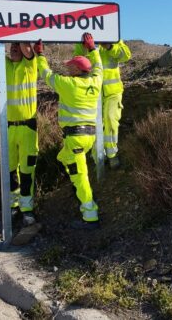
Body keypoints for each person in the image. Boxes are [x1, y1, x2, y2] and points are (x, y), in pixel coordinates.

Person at [34, 33, 103, 229]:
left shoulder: (68, 84)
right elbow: (98, 67)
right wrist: (92, 48)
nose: (67, 68)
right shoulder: (95, 82)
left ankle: (89, 214)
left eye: (69, 66)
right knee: (62, 158)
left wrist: (40, 55)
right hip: (89, 137)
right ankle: (77, 188)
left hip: (76, 138)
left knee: (80, 175)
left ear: (76, 70)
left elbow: (46, 74)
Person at [0, 42, 39, 227]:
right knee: (9, 171)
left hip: (28, 128)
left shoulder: (30, 65)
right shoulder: (6, 65)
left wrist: (20, 36)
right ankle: (13, 206)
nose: (14, 48)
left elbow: (28, 50)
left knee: (26, 171)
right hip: (9, 127)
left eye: (18, 46)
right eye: (12, 46)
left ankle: (27, 209)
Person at [73, 39, 131, 168]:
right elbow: (77, 62)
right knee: (94, 125)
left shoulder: (112, 37)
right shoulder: (81, 41)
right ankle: (98, 158)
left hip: (113, 92)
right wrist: (86, 48)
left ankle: (112, 155)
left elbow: (126, 55)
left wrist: (110, 46)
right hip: (92, 93)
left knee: (111, 120)